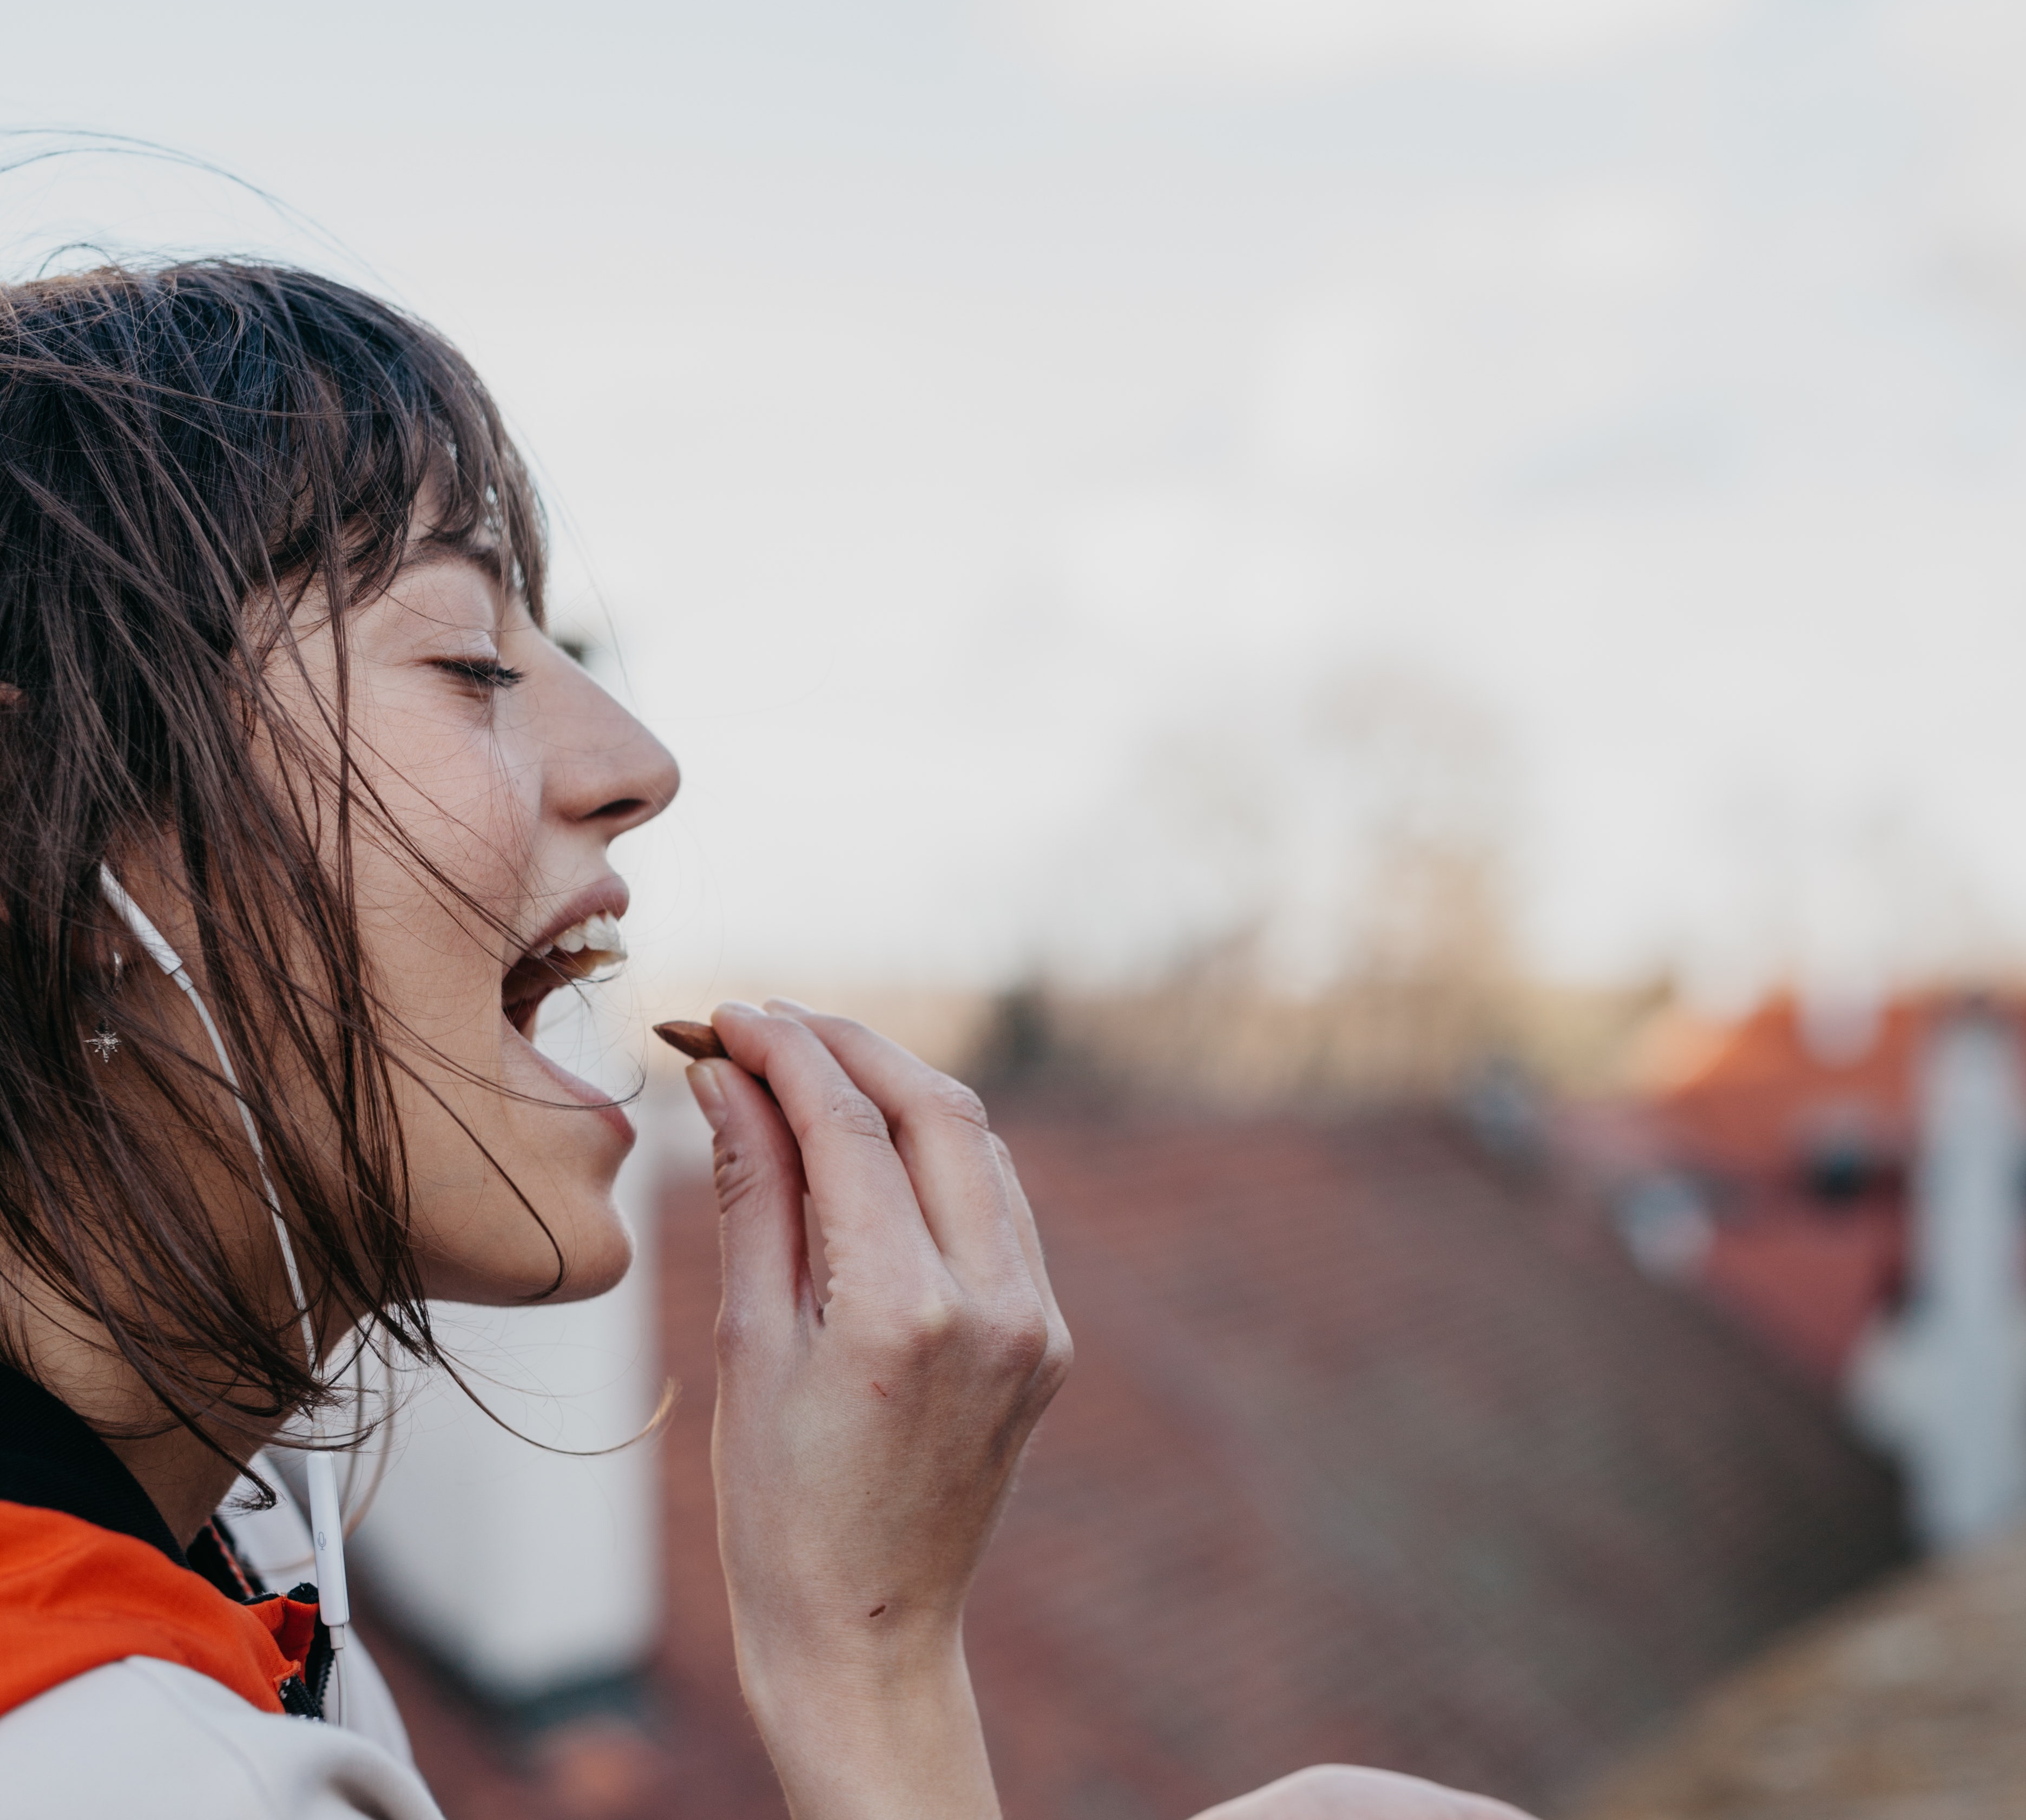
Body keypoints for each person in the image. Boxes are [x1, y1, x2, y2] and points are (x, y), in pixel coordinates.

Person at [0, 259, 1533, 1819]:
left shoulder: (230, 1577)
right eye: (468, 660)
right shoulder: (108, 1760)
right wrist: (866, 1670)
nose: (639, 761)